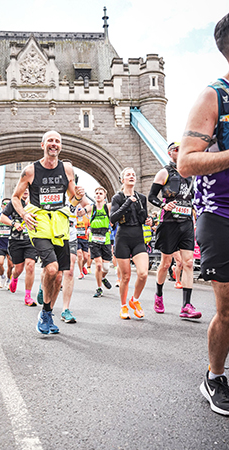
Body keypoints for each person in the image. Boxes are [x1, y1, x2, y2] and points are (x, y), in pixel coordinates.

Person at [177, 13, 229, 416]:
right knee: (227, 309)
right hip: (220, 213)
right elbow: (186, 163)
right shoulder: (214, 96)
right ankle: (214, 377)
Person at [11, 130, 85, 335]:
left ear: (61, 146)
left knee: (59, 277)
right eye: (50, 141)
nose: (54, 144)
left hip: (60, 224)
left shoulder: (67, 169)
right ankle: (44, 313)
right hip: (39, 223)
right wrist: (24, 214)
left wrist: (78, 196)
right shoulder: (30, 170)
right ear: (42, 144)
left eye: (58, 141)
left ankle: (48, 310)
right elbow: (15, 197)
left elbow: (72, 197)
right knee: (52, 269)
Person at [148, 141, 201, 319]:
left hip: (186, 223)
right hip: (169, 223)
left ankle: (186, 305)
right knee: (165, 263)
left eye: (183, 148)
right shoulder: (164, 172)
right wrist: (164, 205)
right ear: (170, 153)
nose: (181, 151)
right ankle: (159, 295)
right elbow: (151, 196)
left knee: (188, 263)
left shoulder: (192, 175)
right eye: (177, 149)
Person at [110, 167, 152, 319]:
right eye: (128, 174)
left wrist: (148, 220)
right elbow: (113, 218)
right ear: (122, 180)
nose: (131, 176)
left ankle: (134, 300)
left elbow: (143, 218)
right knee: (125, 277)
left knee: (143, 273)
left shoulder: (142, 198)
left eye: (133, 174)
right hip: (123, 238)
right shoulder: (118, 197)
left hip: (138, 237)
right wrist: (127, 202)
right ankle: (123, 306)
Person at [0, 188, 38, 306]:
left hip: (31, 240)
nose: (26, 190)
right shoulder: (14, 203)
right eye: (24, 188)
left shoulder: (36, 203)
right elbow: (2, 217)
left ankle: (28, 296)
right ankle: (14, 278)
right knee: (18, 269)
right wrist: (14, 223)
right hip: (16, 240)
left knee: (30, 266)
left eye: (28, 188)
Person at [88, 186, 112, 298]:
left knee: (106, 268)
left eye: (100, 193)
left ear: (104, 196)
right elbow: (81, 210)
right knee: (98, 265)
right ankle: (99, 288)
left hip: (105, 238)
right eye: (96, 193)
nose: (98, 195)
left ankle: (102, 277)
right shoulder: (91, 207)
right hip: (94, 238)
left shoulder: (108, 207)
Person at [76, 206, 90, 279]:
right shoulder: (74, 217)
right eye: (78, 210)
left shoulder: (86, 217)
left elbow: (90, 225)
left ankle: (82, 265)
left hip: (84, 239)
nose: (79, 212)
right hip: (77, 238)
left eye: (80, 210)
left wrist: (89, 230)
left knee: (86, 257)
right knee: (79, 254)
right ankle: (80, 272)